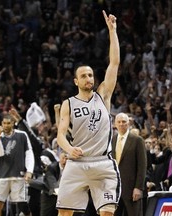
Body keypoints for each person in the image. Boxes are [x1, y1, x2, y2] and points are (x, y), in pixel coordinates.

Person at [56, 10, 120, 216]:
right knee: (64, 213)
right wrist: (69, 150)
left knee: (108, 213)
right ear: (76, 81)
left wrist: (113, 31)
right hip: (77, 162)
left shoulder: (103, 94)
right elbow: (60, 135)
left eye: (91, 75)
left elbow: (114, 63)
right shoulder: (68, 103)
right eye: (83, 76)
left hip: (103, 162)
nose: (88, 78)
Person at [0, 114, 34, 216]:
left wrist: (29, 171)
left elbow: (29, 153)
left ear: (13, 123)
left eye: (8, 123)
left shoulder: (22, 135)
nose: (6, 125)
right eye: (4, 123)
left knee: (22, 205)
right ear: (1, 124)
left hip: (18, 174)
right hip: (2, 175)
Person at [111, 112, 147, 216]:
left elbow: (142, 166)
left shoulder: (137, 140)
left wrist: (138, 187)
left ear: (129, 123)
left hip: (132, 189)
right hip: (115, 189)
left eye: (124, 122)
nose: (121, 124)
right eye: (119, 122)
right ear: (115, 124)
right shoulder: (112, 140)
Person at [40, 151, 67, 216]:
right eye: (63, 158)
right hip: (50, 196)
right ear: (59, 157)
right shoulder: (52, 167)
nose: (65, 161)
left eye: (67, 159)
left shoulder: (71, 169)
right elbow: (52, 183)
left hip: (64, 197)